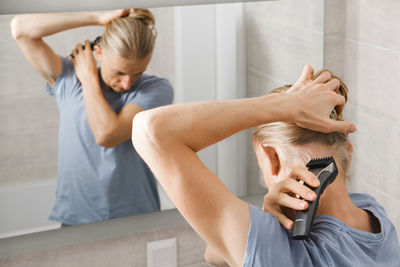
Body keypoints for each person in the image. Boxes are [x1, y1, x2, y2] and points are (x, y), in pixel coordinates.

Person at [131, 66, 400, 266]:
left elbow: (150, 130)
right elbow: (215, 254)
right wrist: (268, 219)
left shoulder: (281, 251)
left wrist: (284, 105)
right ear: (348, 153)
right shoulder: (376, 218)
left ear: (271, 158)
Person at [10, 9, 173, 226]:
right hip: (76, 221)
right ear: (99, 52)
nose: (127, 84)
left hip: (137, 219)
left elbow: (107, 134)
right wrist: (96, 18)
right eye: (119, 73)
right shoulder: (67, 79)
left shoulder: (154, 89)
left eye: (137, 73)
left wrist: (88, 79)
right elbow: (20, 29)